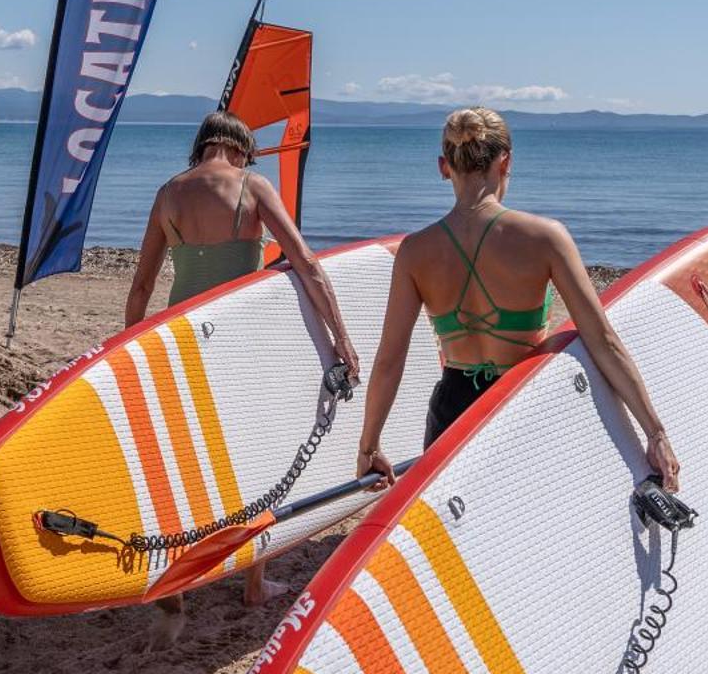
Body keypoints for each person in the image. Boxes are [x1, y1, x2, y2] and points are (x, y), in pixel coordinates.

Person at [127, 110, 363, 639]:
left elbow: (141, 286)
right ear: (240, 150)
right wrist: (341, 338)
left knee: (186, 457)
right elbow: (305, 261)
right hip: (239, 346)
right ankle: (255, 581)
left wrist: (131, 357)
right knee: (259, 460)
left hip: (182, 343)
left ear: (202, 146)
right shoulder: (252, 186)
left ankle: (175, 580)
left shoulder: (167, 194)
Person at [355, 105, 679, 490]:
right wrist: (655, 433)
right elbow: (602, 340)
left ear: (444, 166)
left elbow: (390, 360)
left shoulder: (414, 251)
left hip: (451, 410)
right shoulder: (545, 237)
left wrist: (369, 446)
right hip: (522, 405)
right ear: (505, 163)